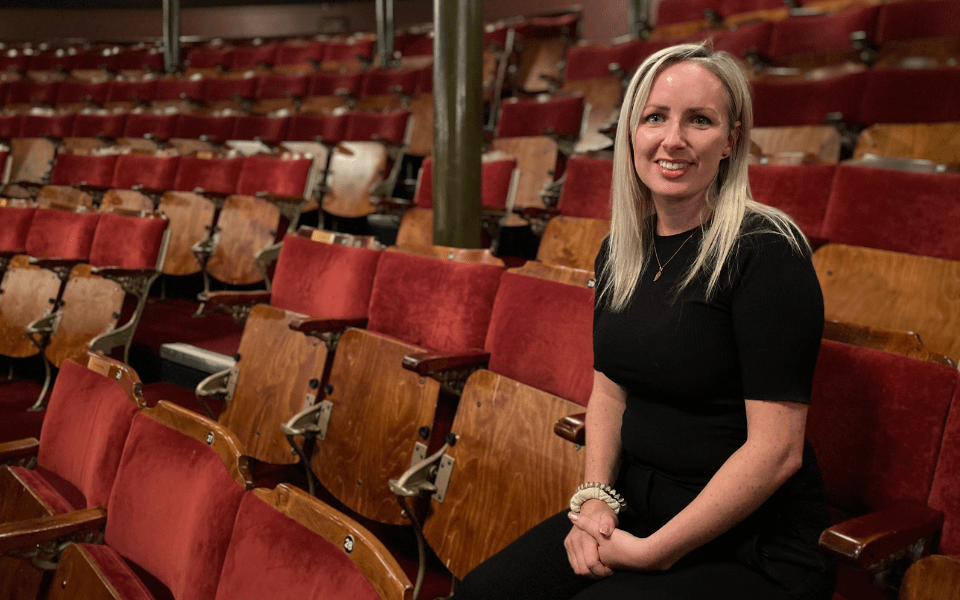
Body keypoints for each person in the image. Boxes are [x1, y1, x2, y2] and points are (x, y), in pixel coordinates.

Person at [453, 42, 835, 600]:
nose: (672, 139)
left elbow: (776, 452)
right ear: (632, 131)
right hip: (638, 506)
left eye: (699, 121)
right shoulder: (621, 251)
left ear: (731, 140)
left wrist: (656, 552)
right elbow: (610, 390)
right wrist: (592, 502)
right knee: (484, 593)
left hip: (751, 543)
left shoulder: (767, 250)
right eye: (654, 117)